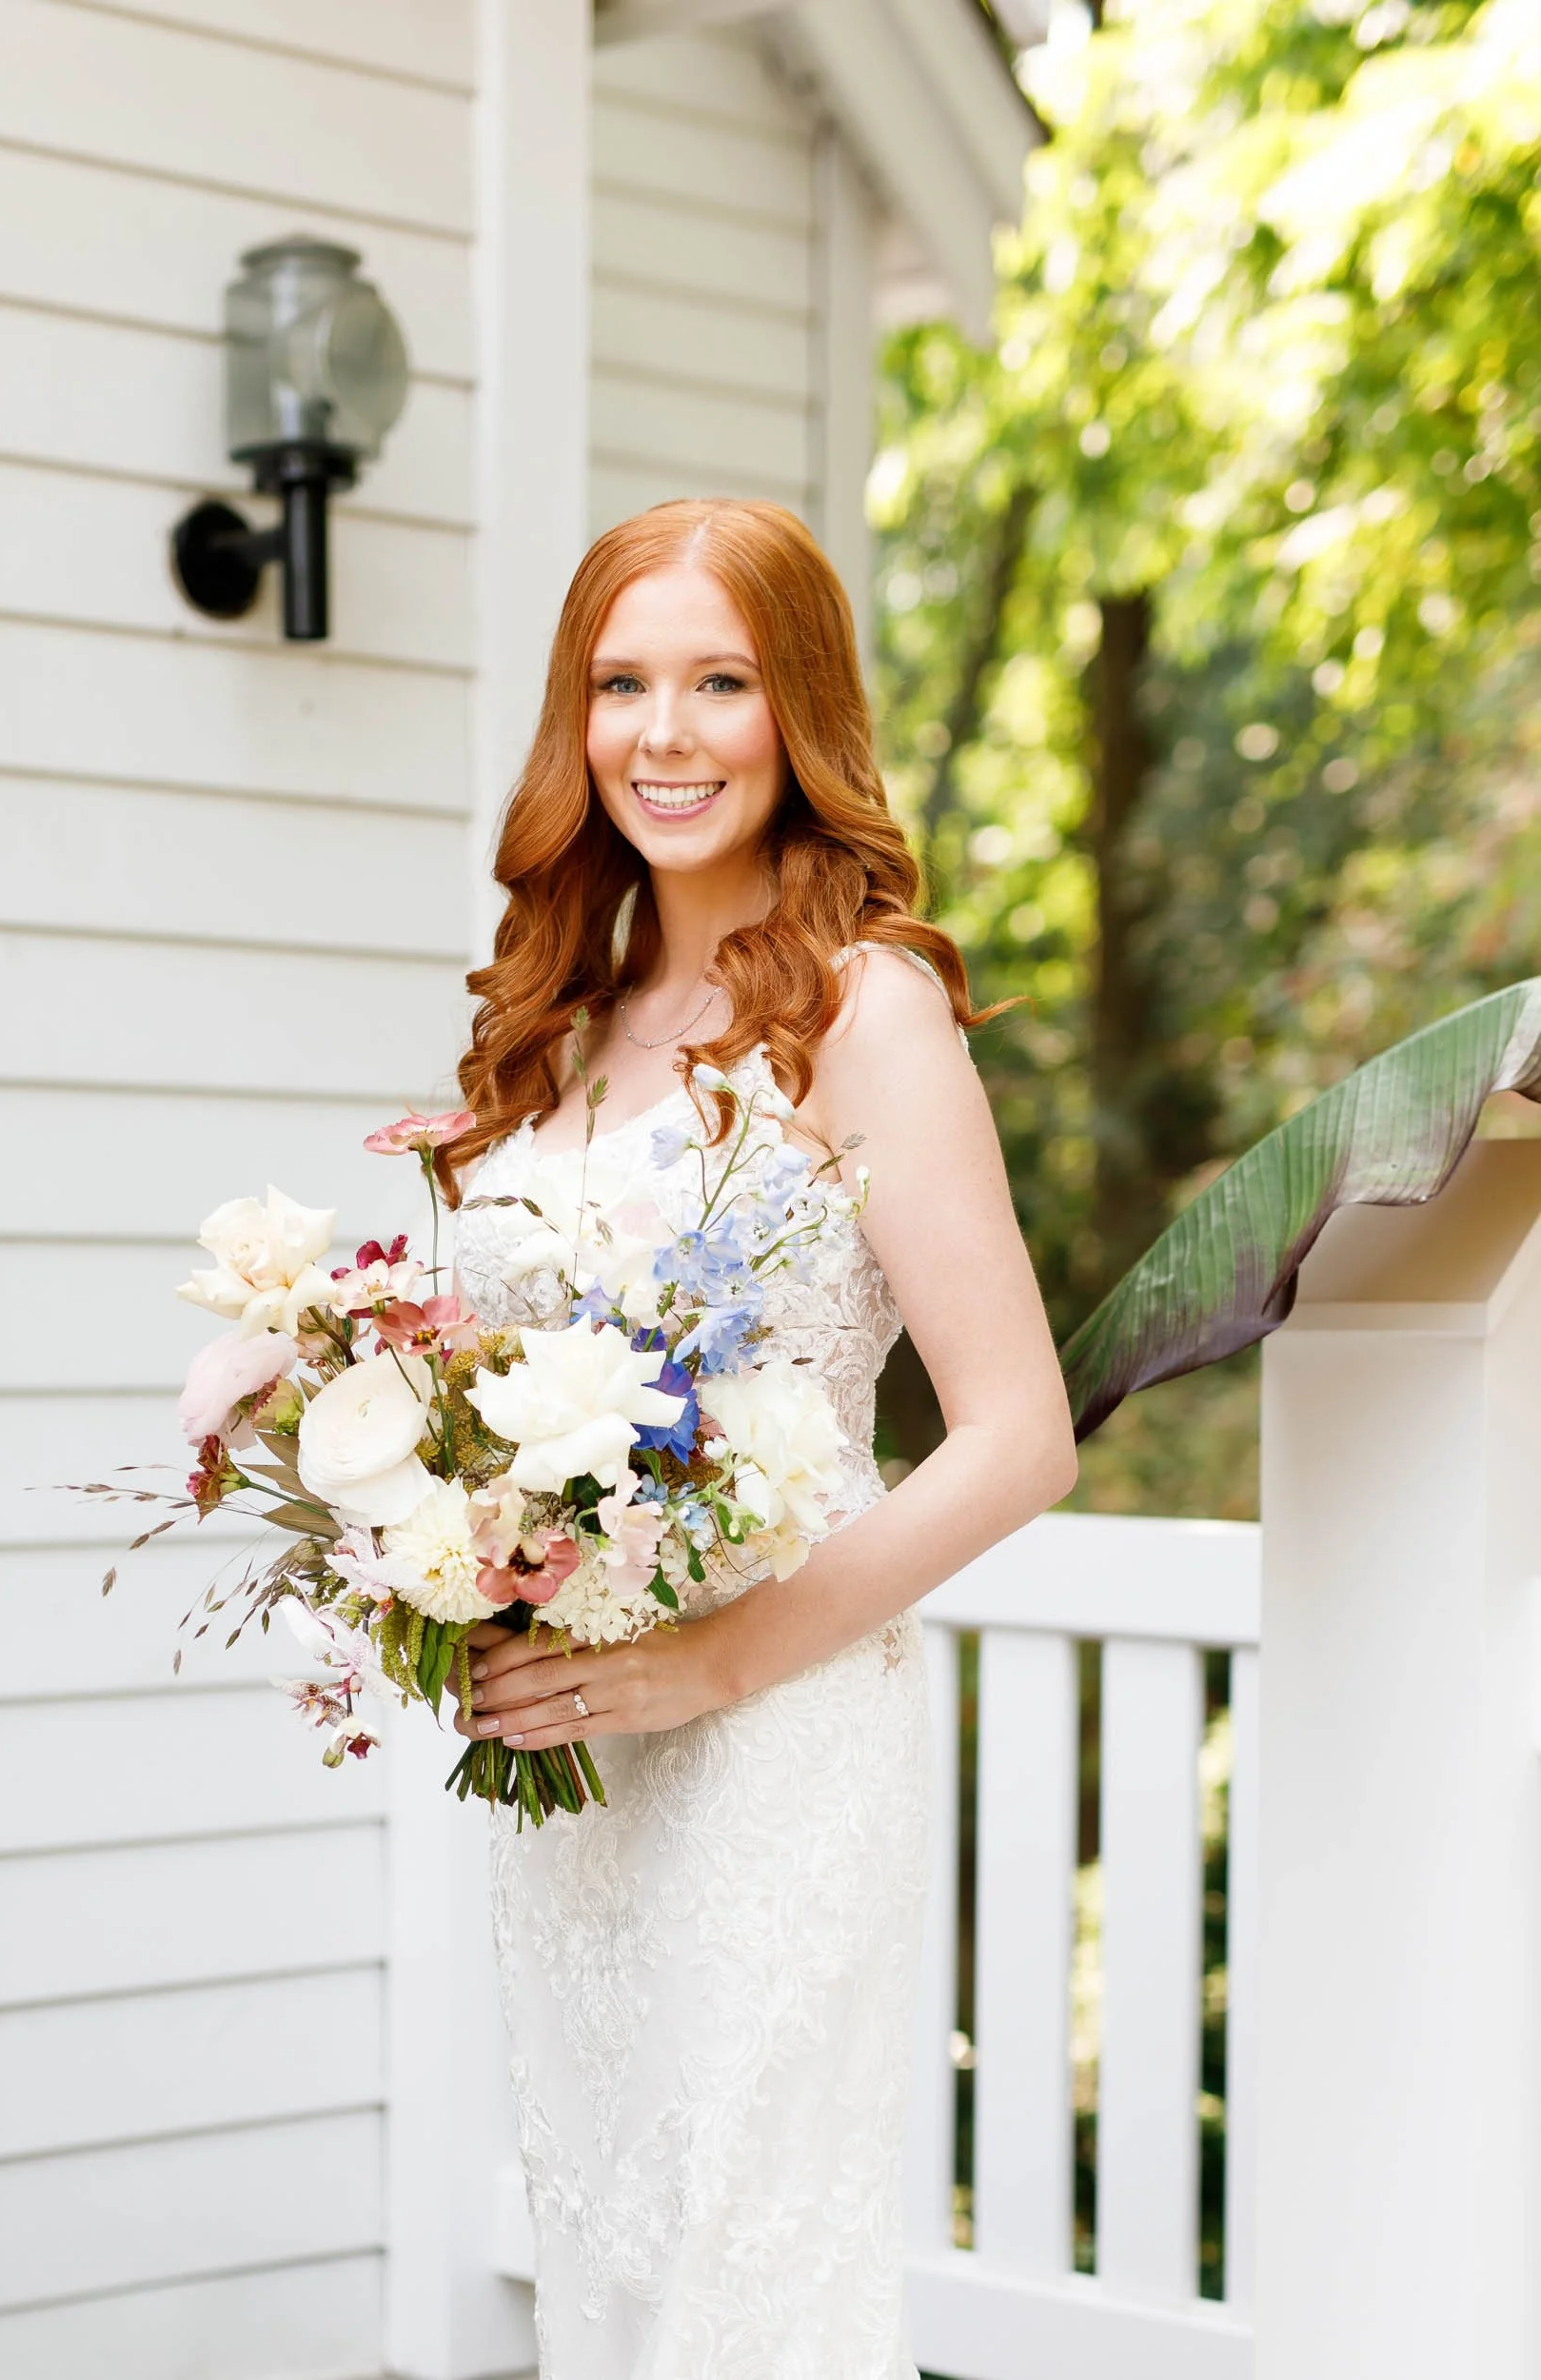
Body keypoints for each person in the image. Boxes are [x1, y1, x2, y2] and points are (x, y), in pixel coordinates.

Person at [438, 498, 1076, 2378]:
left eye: (719, 682)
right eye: (619, 684)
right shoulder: (558, 1028)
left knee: (746, 2283)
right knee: (614, 2259)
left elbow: (1019, 1435)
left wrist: (710, 1659)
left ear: (798, 709)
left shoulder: (866, 1009)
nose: (664, 733)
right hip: (581, 1753)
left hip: (773, 1735)